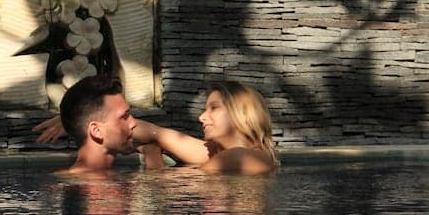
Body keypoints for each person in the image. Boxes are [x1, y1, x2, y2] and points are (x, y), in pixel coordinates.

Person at [34, 80, 278, 175]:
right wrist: (77, 118)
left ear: (241, 114)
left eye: (214, 108)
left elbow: (162, 186)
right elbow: (158, 133)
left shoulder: (240, 157)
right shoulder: (230, 155)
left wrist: (151, 153)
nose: (202, 116)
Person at [53, 74, 137, 174]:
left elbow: (150, 136)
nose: (134, 123)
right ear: (96, 131)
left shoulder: (107, 176)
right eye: (124, 117)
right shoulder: (79, 182)